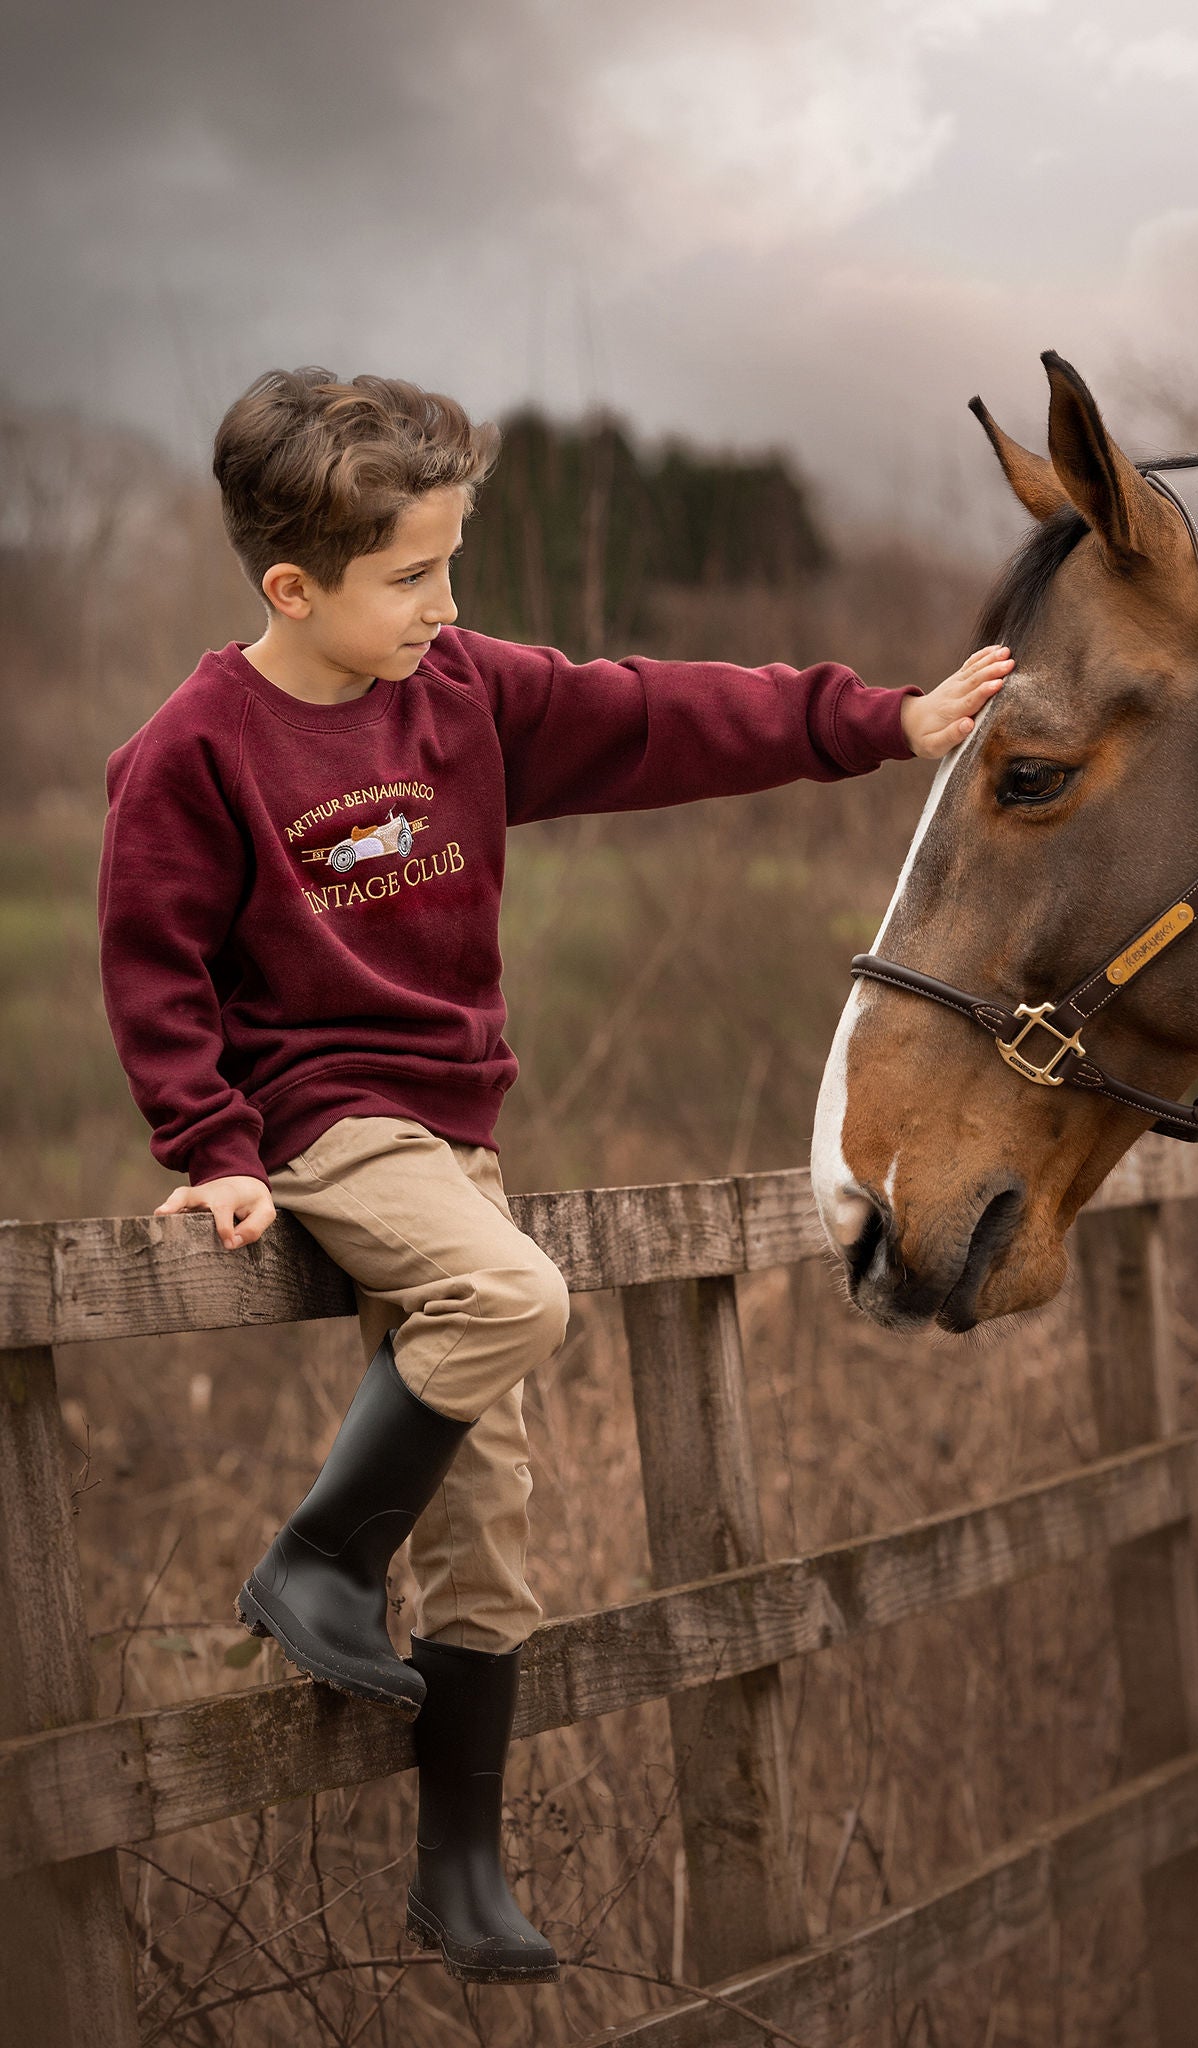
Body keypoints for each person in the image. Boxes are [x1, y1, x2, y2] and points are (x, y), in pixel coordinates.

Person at [96, 366, 1014, 1985]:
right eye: (410, 577)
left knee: (494, 1518)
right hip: (325, 1115)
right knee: (513, 1295)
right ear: (291, 589)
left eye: (451, 566)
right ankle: (317, 1558)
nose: (444, 607)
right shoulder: (197, 749)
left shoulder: (459, 691)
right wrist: (213, 1151)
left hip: (456, 1133)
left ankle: (460, 1870)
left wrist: (879, 722)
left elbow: (658, 712)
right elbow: (154, 966)